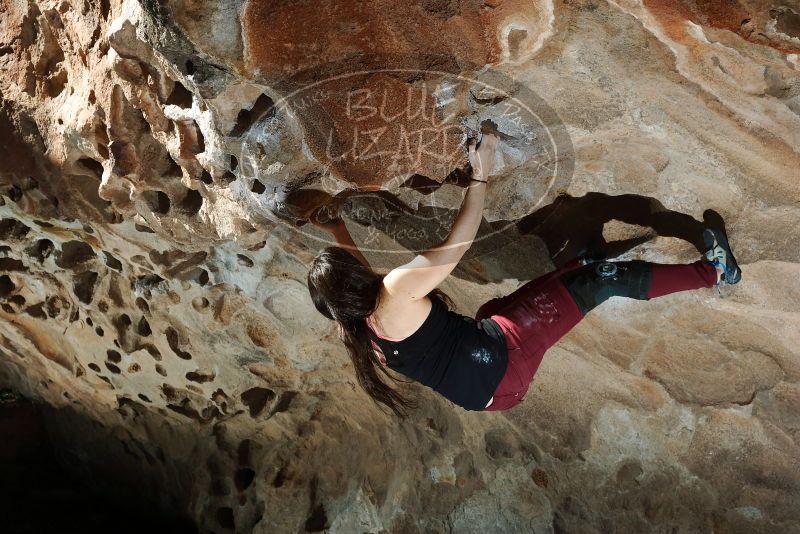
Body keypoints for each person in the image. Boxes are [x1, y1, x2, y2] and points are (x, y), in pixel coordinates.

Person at [306, 130, 742, 417]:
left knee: (500, 307)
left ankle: (582, 264)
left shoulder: (356, 327)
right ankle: (715, 271)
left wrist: (338, 228)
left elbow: (363, 281)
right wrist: (481, 176)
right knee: (601, 282)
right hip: (502, 366)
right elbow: (457, 245)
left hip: (489, 387)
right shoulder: (394, 291)